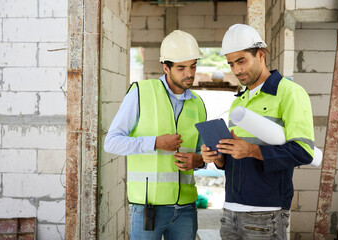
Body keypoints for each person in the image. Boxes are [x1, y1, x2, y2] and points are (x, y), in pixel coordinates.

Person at [201, 24, 315, 240]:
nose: (236, 70)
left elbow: (304, 152)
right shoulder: (239, 103)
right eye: (231, 64)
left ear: (260, 55)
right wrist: (218, 158)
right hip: (230, 211)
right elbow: (235, 160)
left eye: (241, 61)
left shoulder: (289, 93)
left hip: (266, 213)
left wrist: (253, 150)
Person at [104, 30, 207, 240]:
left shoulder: (198, 103)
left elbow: (203, 153)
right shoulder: (141, 92)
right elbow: (112, 143)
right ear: (166, 67)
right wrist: (155, 142)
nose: (189, 73)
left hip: (186, 209)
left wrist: (199, 160)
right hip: (147, 208)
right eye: (181, 67)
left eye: (193, 66)